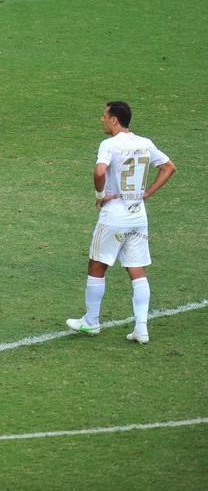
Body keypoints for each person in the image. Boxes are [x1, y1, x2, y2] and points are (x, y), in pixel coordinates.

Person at [67, 101, 176, 344]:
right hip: (138, 214)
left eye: (104, 116)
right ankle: (141, 327)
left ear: (114, 119)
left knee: (97, 265)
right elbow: (169, 167)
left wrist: (99, 196)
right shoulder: (145, 143)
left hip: (114, 214)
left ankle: (91, 322)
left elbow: (99, 172)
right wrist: (147, 193)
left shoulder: (109, 145)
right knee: (137, 269)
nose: (102, 119)